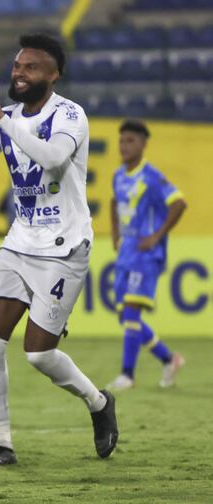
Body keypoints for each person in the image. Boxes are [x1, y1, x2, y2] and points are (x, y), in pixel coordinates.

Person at [0, 33, 119, 466]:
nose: (19, 74)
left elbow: (54, 159)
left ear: (54, 75)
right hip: (20, 243)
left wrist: (3, 124)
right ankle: (3, 444)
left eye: (31, 67)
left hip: (64, 248)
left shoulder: (69, 115)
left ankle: (98, 402)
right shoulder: (4, 116)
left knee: (39, 353)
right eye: (18, 66)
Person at [106, 119, 186, 391]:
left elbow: (179, 202)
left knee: (130, 311)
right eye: (121, 140)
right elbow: (114, 201)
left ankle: (127, 374)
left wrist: (157, 235)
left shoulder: (152, 176)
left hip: (146, 252)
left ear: (143, 144)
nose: (124, 145)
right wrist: (115, 232)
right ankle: (169, 359)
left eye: (130, 140)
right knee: (126, 316)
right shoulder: (118, 175)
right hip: (127, 250)